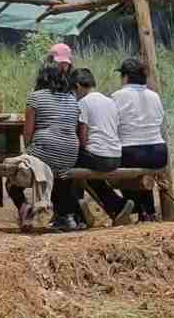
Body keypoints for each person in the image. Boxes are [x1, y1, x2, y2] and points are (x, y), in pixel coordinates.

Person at [21, 60, 82, 231]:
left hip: (45, 151)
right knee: (59, 175)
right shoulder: (72, 98)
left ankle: (25, 210)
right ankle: (65, 217)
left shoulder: (35, 97)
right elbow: (73, 127)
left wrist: (28, 152)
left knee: (12, 179)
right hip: (70, 154)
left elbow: (28, 133)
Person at [72, 68, 135, 226]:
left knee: (67, 162)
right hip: (116, 157)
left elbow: (83, 139)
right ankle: (117, 205)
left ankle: (75, 211)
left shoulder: (83, 103)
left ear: (77, 86)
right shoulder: (110, 101)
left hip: (98, 158)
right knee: (90, 176)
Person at [112, 58, 168, 221]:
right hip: (159, 153)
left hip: (132, 152)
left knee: (116, 167)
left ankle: (135, 209)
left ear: (125, 77)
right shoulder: (154, 96)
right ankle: (148, 211)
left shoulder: (117, 96)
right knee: (140, 169)